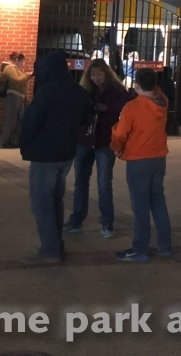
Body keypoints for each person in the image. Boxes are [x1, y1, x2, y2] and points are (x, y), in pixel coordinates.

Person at [18, 50, 90, 264]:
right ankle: (55, 244)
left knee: (42, 203)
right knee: (55, 200)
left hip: (44, 154)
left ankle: (50, 250)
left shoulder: (47, 92)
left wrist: (25, 144)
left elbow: (31, 121)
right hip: (66, 153)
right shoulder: (78, 91)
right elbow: (85, 117)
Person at [63, 59, 132, 238]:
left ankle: (107, 223)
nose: (96, 78)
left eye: (99, 74)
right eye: (93, 75)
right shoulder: (84, 90)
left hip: (104, 142)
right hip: (84, 140)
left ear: (106, 74)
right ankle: (77, 220)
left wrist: (106, 108)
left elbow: (125, 109)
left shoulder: (117, 91)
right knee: (80, 182)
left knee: (103, 185)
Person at [111, 67, 172, 262]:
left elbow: (120, 134)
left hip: (138, 159)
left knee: (140, 206)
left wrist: (116, 147)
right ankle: (165, 245)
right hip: (158, 158)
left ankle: (140, 248)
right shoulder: (162, 102)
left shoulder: (132, 108)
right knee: (158, 201)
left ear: (136, 84)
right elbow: (158, 90)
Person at [0, 52, 33, 148]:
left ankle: (14, 140)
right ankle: (6, 141)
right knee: (11, 119)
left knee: (19, 119)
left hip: (19, 96)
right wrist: (27, 75)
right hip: (13, 95)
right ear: (17, 60)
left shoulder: (15, 68)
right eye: (22, 61)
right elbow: (16, 80)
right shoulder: (9, 68)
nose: (23, 64)